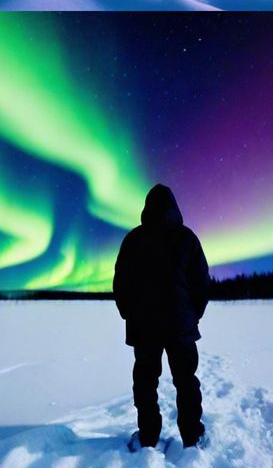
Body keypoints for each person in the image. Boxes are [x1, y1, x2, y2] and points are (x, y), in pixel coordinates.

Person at [114, 184, 210, 449]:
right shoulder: (187, 238)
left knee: (145, 382)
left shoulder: (133, 239)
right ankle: (193, 436)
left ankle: (148, 436)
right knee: (186, 381)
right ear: (174, 208)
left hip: (144, 327)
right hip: (180, 326)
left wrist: (129, 314)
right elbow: (201, 282)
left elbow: (120, 283)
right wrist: (193, 316)